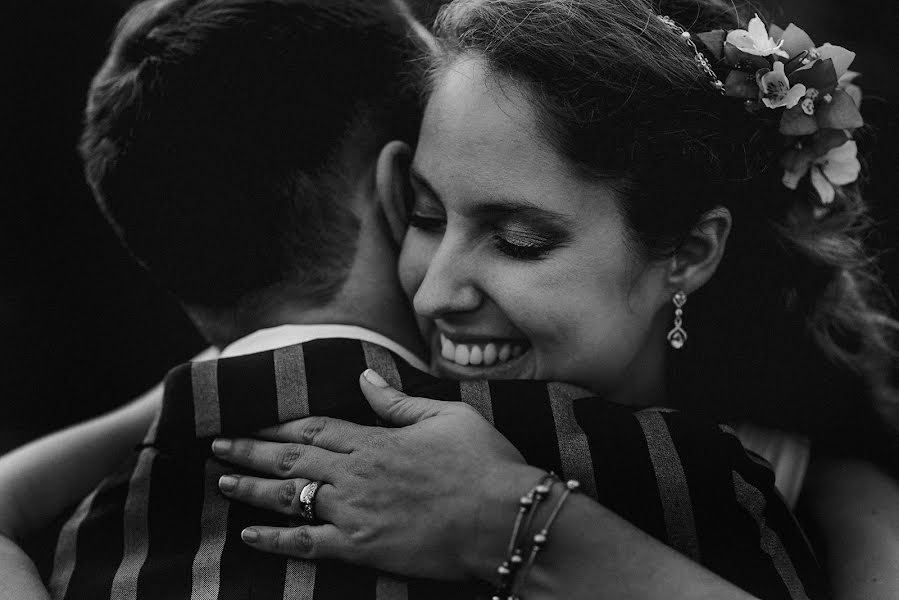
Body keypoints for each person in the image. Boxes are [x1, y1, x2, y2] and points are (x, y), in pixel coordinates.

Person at [0, 0, 894, 598]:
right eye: (423, 218)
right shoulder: (297, 402)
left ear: (690, 252)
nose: (433, 288)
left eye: (518, 241)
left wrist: (515, 522)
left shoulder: (825, 492)